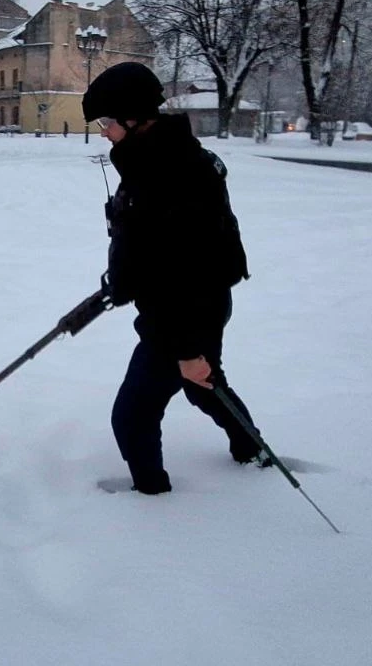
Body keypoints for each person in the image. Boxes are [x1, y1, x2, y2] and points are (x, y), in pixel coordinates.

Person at [82, 61, 266, 495]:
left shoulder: (173, 173)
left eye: (107, 122)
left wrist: (186, 348)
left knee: (133, 414)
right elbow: (151, 248)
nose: (104, 132)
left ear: (135, 119)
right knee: (202, 385)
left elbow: (187, 268)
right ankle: (251, 449)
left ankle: (152, 500)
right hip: (189, 307)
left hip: (185, 312)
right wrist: (122, 279)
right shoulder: (152, 160)